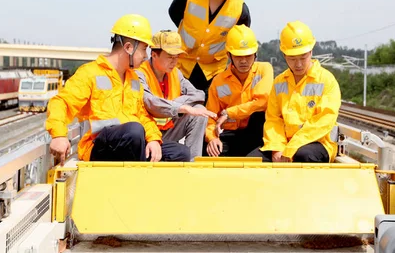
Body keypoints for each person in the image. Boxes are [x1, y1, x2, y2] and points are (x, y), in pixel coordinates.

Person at [46, 14, 190, 164]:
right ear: (128, 47)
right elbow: (61, 102)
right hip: (100, 145)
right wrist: (58, 135)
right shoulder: (90, 73)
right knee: (134, 132)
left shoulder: (133, 79)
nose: (145, 57)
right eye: (143, 49)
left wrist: (153, 139)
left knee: (180, 153)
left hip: (132, 141)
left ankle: (143, 173)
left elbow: (142, 115)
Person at [248, 21, 341, 163]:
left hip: (317, 142)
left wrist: (291, 148)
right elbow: (273, 119)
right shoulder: (279, 82)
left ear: (311, 51)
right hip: (283, 144)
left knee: (303, 156)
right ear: (284, 55)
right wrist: (277, 147)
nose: (298, 64)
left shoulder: (326, 80)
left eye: (303, 58)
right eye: (292, 58)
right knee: (253, 161)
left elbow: (323, 120)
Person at [168, 0, 251, 95]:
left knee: (208, 112)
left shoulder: (240, 10)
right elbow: (174, 13)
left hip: (212, 71)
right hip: (182, 63)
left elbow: (238, 38)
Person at [137, 30, 217, 160]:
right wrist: (181, 107)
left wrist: (176, 103)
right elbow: (150, 102)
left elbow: (198, 95)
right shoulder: (139, 74)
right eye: (170, 56)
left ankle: (193, 162)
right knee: (193, 109)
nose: (174, 61)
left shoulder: (176, 73)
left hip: (167, 130)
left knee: (199, 111)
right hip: (147, 134)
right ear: (154, 54)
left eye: (176, 56)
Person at [205, 25, 273, 157]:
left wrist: (229, 113)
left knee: (258, 115)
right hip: (229, 134)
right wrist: (212, 138)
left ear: (255, 54)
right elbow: (211, 118)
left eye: (248, 56)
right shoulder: (218, 81)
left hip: (257, 134)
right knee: (209, 151)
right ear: (229, 55)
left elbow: (263, 102)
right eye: (238, 56)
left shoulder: (265, 69)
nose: (243, 61)